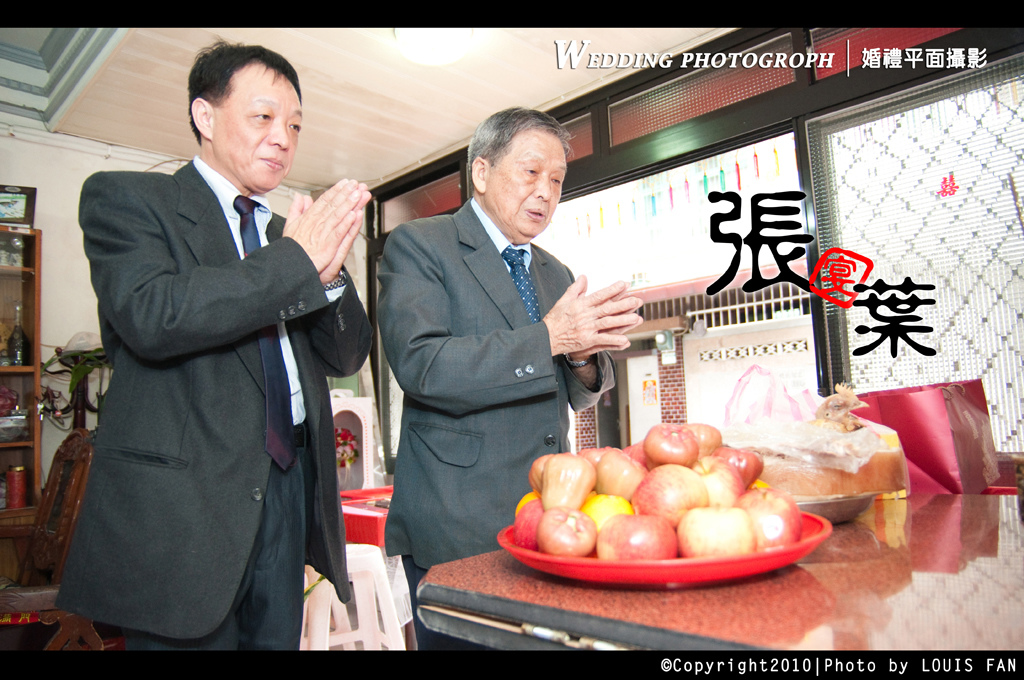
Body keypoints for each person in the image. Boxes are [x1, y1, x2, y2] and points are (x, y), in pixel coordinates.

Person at [57, 41, 373, 650]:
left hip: (286, 490)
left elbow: (345, 357)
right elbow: (154, 316)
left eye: (295, 125)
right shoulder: (129, 200)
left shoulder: (286, 236)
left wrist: (329, 275)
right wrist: (297, 261)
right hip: (183, 510)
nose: (282, 138)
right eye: (263, 117)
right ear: (205, 116)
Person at [378, 107, 642, 648]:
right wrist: (551, 338)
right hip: (458, 523)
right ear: (481, 171)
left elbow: (577, 392)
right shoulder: (420, 245)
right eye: (531, 171)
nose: (545, 191)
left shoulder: (554, 271)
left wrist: (582, 355)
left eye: (557, 179)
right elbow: (423, 366)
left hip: (549, 516)